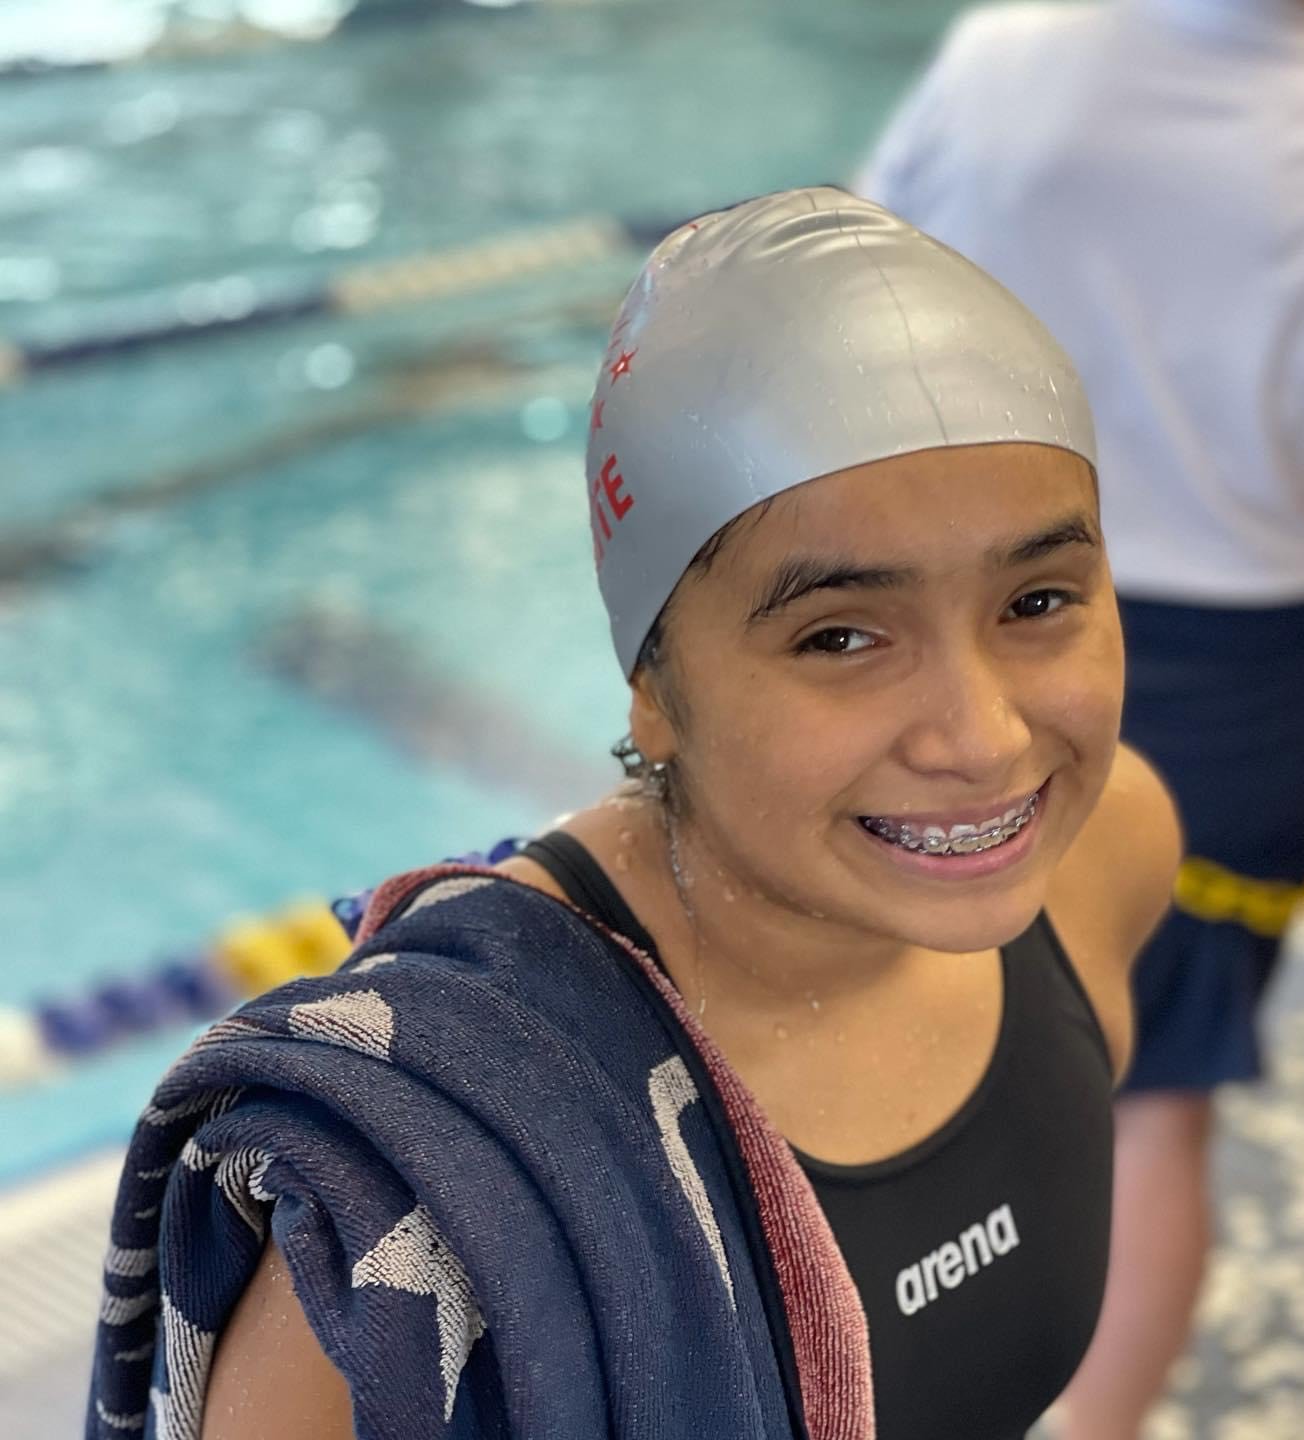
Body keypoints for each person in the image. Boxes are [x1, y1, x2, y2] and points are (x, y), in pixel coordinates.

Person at [88, 188, 1180, 1440]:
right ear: (653, 688)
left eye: (1038, 601)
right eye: (840, 636)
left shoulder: (1107, 859)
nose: (984, 738)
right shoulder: (417, 1219)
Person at [857, 2, 1304, 1435]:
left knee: (897, 1065)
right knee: (1153, 1104)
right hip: (1255, 697)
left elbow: (843, 343)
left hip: (972, 650)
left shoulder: (1003, 58)